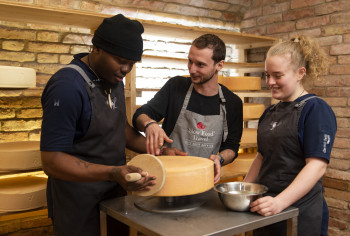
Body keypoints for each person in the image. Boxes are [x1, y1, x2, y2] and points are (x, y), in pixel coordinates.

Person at [40, 14, 185, 236]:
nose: (126, 69)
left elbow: (121, 130)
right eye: (121, 61)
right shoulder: (67, 87)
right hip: (78, 200)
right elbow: (52, 161)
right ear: (96, 48)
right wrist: (113, 172)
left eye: (131, 64)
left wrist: (160, 151)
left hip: (114, 193)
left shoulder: (112, 78)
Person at [243, 35, 337, 236]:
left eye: (278, 75)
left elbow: (317, 165)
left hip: (299, 212)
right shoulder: (269, 113)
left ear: (300, 73)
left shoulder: (316, 109)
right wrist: (243, 191)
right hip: (266, 207)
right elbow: (261, 157)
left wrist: (280, 202)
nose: (270, 82)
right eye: (267, 75)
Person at [132, 34, 243, 183]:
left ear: (219, 65)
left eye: (200, 64)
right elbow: (141, 115)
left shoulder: (232, 103)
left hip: (202, 181)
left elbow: (231, 147)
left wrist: (220, 158)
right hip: (167, 178)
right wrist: (149, 124)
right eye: (190, 61)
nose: (192, 69)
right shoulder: (176, 87)